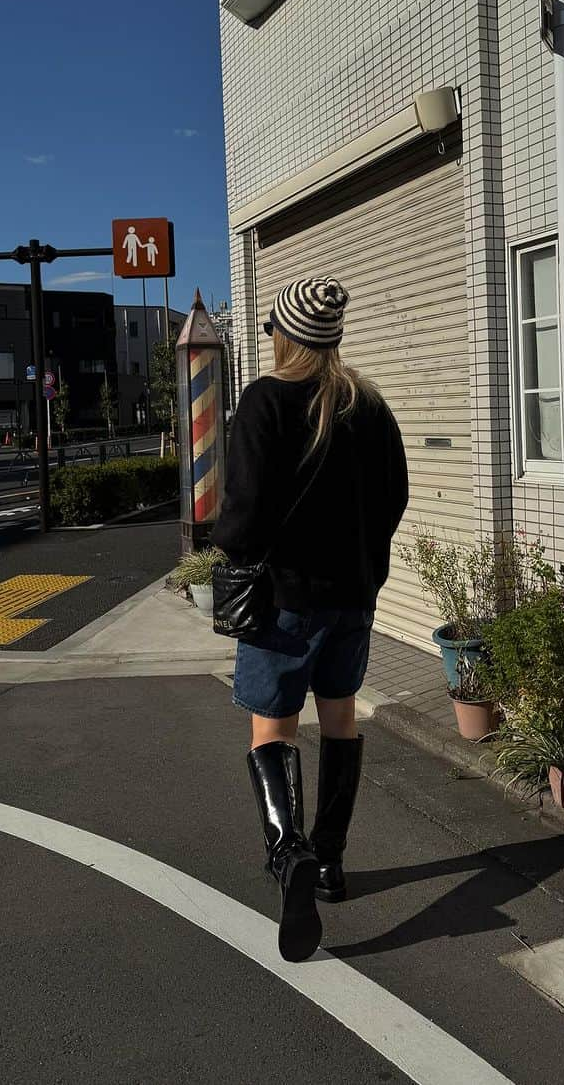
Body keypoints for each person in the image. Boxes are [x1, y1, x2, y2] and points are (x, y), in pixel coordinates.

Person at [212, 276, 408, 962]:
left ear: (284, 334)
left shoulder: (265, 401)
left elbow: (242, 512)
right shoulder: (370, 406)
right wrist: (364, 564)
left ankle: (286, 849)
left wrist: (232, 551)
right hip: (352, 600)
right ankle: (329, 862)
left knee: (273, 731)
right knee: (340, 722)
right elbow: (394, 499)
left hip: (282, 604)